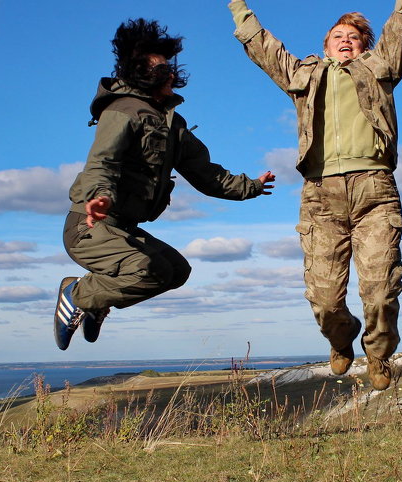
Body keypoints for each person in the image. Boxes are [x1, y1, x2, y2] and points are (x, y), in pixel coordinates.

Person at [229, 0, 402, 390]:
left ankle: (378, 355)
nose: (345, 41)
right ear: (325, 44)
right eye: (338, 36)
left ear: (363, 48)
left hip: (374, 190)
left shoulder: (379, 67)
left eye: (353, 38)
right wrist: (239, 4)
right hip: (321, 195)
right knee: (324, 298)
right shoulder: (305, 76)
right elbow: (265, 49)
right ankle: (342, 340)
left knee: (380, 290)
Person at [54, 18, 276, 350]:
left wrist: (251, 186)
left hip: (123, 228)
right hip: (90, 226)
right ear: (139, 73)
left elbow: (207, 174)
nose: (170, 75)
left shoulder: (173, 124)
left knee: (175, 270)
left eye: (170, 68)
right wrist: (100, 197)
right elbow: (103, 161)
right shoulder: (122, 111)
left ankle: (97, 300)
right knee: (145, 269)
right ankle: (79, 295)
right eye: (160, 70)